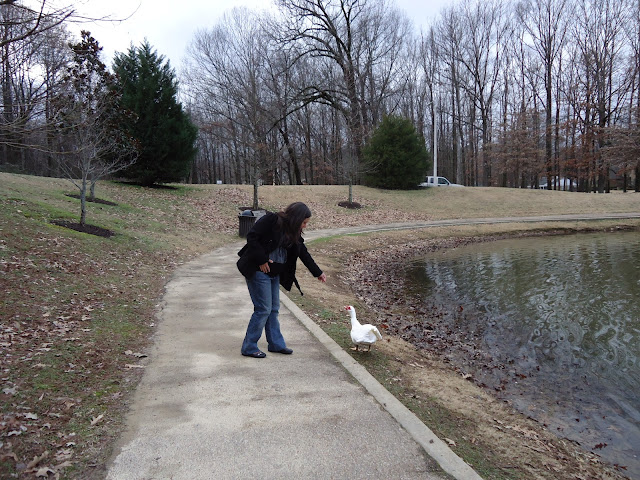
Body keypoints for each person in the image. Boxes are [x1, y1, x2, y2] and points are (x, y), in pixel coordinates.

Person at [236, 202, 326, 358]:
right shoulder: (271, 220)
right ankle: (249, 347)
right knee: (263, 309)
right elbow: (252, 237)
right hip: (258, 271)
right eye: (304, 222)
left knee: (274, 309)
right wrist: (261, 259)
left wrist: (317, 272)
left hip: (274, 273)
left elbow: (303, 252)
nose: (304, 226)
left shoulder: (293, 232)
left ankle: (276, 344)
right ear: (296, 218)